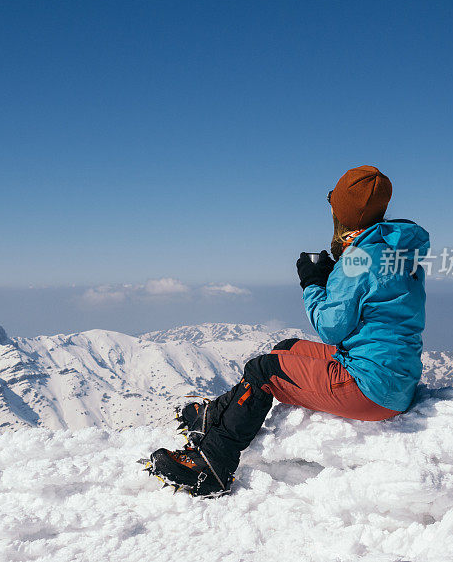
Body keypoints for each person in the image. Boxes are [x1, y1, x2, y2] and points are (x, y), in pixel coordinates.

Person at [144, 165, 431, 496]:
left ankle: (213, 464)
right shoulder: (395, 253)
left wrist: (312, 283)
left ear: (341, 212)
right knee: (287, 348)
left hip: (369, 389)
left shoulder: (359, 259)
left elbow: (331, 327)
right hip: (394, 379)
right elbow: (373, 303)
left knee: (264, 370)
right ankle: (214, 417)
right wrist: (332, 278)